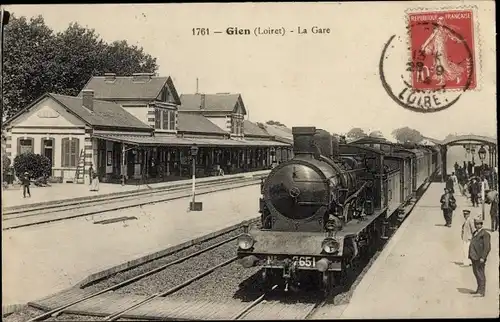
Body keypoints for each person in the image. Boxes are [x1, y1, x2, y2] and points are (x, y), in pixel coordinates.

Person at [468, 218, 491, 297]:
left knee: (480, 274)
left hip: (480, 257)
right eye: (476, 224)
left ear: (481, 224)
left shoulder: (485, 234)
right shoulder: (475, 232)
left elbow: (487, 247)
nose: (477, 225)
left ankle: (481, 291)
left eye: (478, 224)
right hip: (474, 257)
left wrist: (483, 257)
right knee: (476, 273)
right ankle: (478, 289)